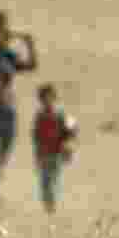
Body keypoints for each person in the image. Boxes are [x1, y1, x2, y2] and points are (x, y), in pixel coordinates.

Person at [0, 23, 37, 208]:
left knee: (7, 146)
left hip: (8, 109)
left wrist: (29, 44)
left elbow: (30, 65)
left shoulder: (7, 57)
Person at [32, 83, 78, 213]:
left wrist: (69, 146)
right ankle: (47, 203)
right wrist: (37, 154)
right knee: (44, 180)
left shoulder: (61, 114)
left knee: (54, 178)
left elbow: (72, 130)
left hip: (57, 152)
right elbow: (36, 136)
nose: (47, 101)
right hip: (44, 153)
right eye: (44, 98)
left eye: (49, 97)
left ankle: (52, 203)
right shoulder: (39, 116)